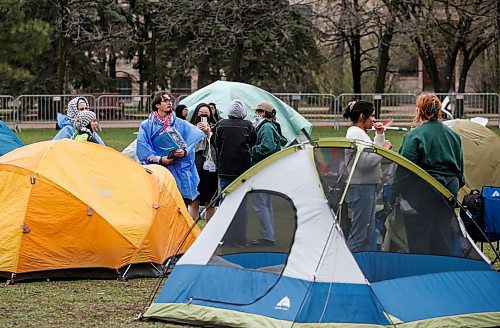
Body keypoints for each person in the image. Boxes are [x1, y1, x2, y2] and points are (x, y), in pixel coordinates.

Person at [392, 93, 464, 254]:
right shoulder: (453, 135)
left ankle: (422, 271)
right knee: (442, 234)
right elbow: (460, 168)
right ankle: (442, 272)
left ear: (419, 111)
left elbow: (405, 167)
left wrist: (394, 191)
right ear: (439, 111)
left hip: (424, 191)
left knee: (419, 235)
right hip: (449, 190)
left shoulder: (415, 135)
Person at [136, 91, 205, 204]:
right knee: (160, 202)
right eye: (165, 100)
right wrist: (160, 159)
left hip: (178, 168)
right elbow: (143, 147)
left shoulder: (180, 123)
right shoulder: (147, 125)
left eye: (170, 100)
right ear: (157, 105)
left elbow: (192, 141)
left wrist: (184, 151)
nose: (169, 103)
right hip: (158, 170)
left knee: (180, 203)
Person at [343, 99, 392, 252]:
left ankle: (362, 264)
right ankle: (348, 265)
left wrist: (379, 135)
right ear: (362, 116)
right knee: (359, 234)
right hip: (361, 188)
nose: (374, 120)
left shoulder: (360, 133)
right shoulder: (355, 134)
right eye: (371, 116)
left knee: (367, 232)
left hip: (366, 188)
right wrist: (383, 149)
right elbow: (365, 163)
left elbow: (371, 153)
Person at [213, 99, 256, 247]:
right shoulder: (248, 125)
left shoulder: (221, 125)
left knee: (225, 205)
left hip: (224, 169)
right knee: (242, 206)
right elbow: (253, 142)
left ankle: (225, 237)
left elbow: (215, 142)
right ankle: (241, 238)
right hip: (242, 170)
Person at [249, 101, 288, 246]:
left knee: (260, 203)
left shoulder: (265, 127)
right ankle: (269, 234)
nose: (256, 114)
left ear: (263, 113)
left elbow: (267, 148)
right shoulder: (270, 126)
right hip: (268, 169)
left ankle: (267, 236)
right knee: (265, 203)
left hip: (262, 169)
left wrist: (250, 152)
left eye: (258, 111)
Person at [188, 103, 218, 222]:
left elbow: (217, 146)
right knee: (194, 200)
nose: (203, 116)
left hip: (210, 170)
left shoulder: (216, 127)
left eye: (206, 113)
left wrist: (208, 134)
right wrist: (196, 132)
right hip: (195, 167)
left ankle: (209, 233)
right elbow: (186, 145)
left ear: (211, 114)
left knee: (209, 202)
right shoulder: (190, 128)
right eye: (200, 113)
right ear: (196, 114)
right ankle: (191, 232)